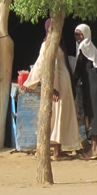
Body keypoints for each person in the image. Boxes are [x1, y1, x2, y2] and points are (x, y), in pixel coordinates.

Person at [21, 19, 81, 160]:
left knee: (57, 116)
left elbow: (43, 65)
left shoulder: (51, 44)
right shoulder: (50, 44)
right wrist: (49, 86)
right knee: (55, 117)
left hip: (60, 85)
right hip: (59, 84)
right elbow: (44, 65)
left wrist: (52, 88)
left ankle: (56, 153)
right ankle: (52, 151)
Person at [71, 23, 97, 160]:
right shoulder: (92, 49)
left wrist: (70, 86)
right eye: (76, 34)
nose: (78, 37)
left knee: (94, 116)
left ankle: (94, 149)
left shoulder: (84, 48)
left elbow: (78, 70)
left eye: (80, 34)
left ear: (86, 34)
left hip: (94, 89)